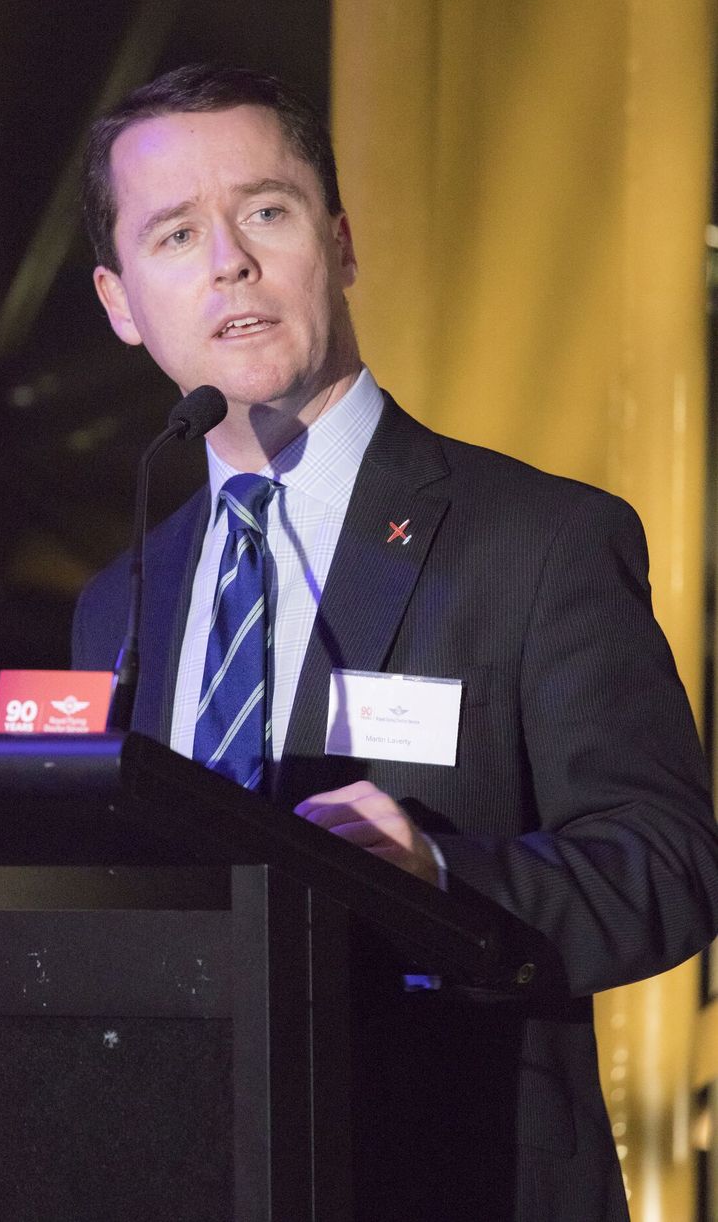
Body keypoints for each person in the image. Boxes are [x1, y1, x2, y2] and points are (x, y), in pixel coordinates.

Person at [72, 63, 718, 1220]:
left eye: (265, 211)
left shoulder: (540, 539)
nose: (231, 261)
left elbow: (665, 864)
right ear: (120, 305)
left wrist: (442, 881)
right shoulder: (119, 595)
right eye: (176, 235)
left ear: (342, 241)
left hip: (456, 1167)